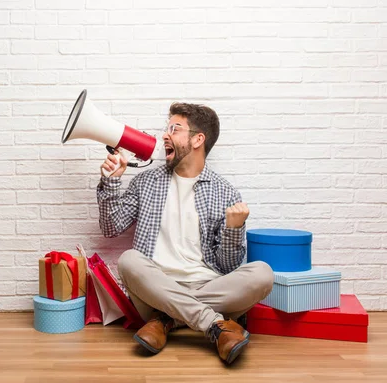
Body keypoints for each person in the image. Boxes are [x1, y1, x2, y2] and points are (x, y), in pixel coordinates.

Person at [96, 102, 274, 364]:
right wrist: (111, 181)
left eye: (174, 129)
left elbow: (228, 266)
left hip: (207, 286)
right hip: (156, 290)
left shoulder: (225, 192)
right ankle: (214, 323)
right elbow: (111, 228)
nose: (164, 135)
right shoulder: (146, 182)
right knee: (129, 260)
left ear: (197, 139)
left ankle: (167, 320)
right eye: (166, 129)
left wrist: (235, 229)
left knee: (263, 274)